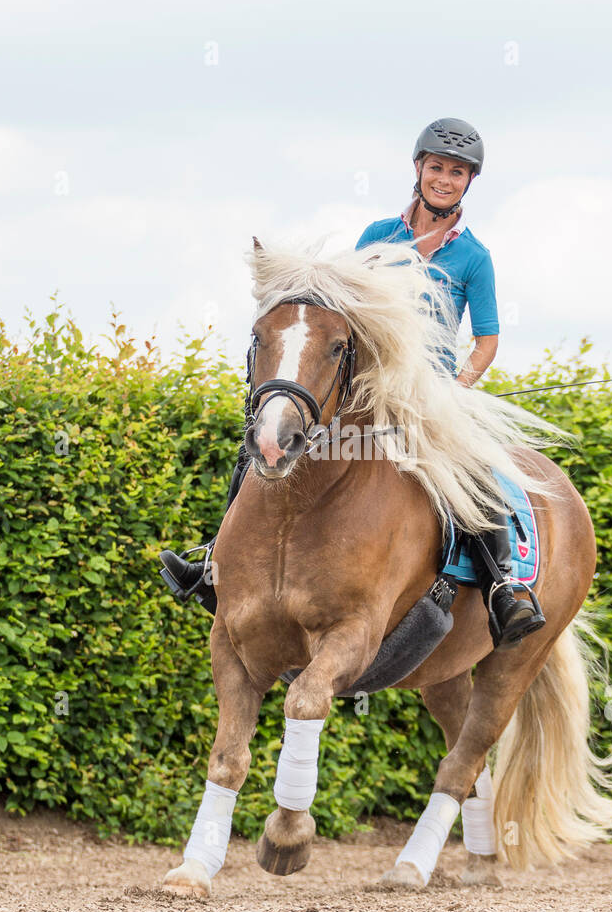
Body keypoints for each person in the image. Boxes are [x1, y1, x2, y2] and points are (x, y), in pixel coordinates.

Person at [158, 116, 544, 647]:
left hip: (431, 392)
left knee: (475, 468)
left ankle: (503, 586)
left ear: (469, 182)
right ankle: (212, 562)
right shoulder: (377, 236)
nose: (445, 180)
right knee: (265, 439)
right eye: (437, 168)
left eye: (457, 173)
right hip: (369, 384)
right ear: (418, 168)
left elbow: (488, 340)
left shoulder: (475, 257)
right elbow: (341, 317)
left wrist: (459, 385)